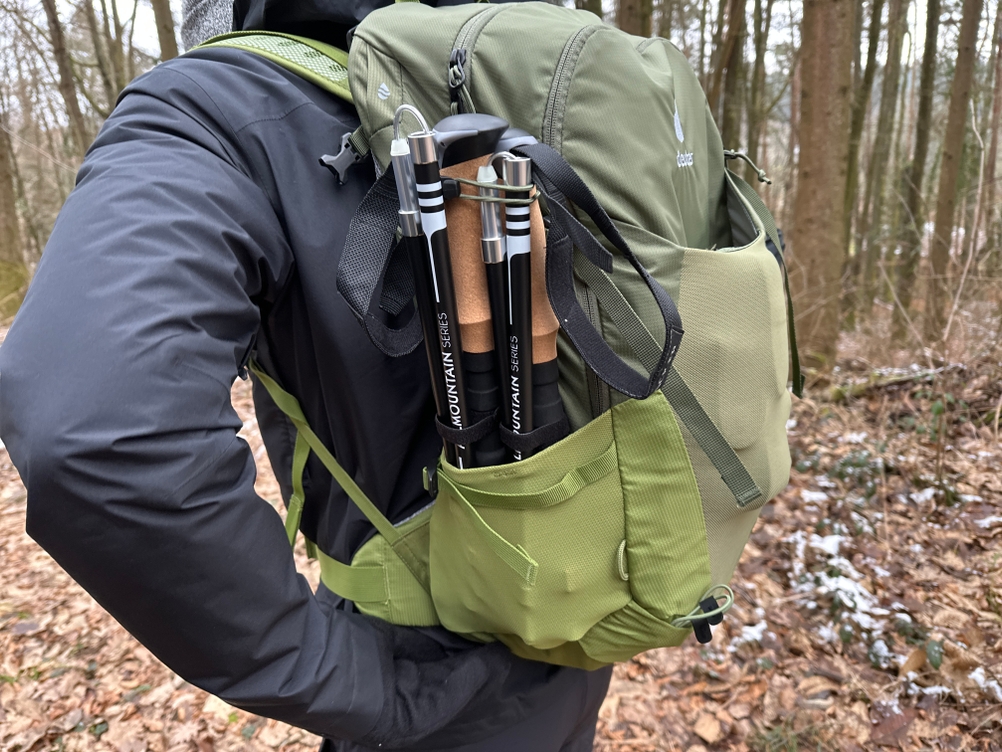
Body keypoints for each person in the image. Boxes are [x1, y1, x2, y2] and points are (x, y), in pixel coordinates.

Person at [0, 0, 613, 748]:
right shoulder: (528, 89)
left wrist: (350, 681)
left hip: (422, 673)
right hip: (585, 611)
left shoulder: (219, 107)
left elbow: (95, 434)